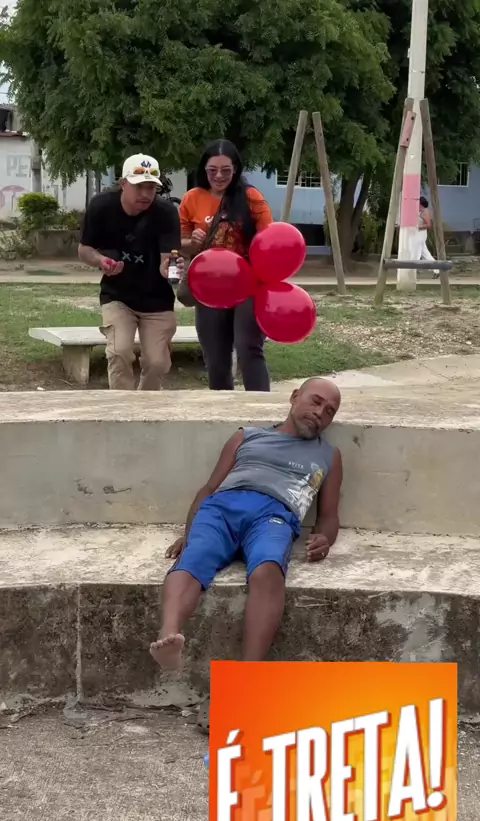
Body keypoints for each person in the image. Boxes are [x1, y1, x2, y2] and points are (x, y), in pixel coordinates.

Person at [150, 377, 343, 671]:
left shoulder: (329, 455)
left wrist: (325, 538)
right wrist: (189, 533)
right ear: (294, 397)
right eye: (315, 401)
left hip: (274, 517)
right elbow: (209, 488)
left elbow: (328, 516)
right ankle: (169, 636)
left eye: (329, 411)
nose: (320, 413)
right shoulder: (247, 436)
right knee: (194, 556)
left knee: (268, 569)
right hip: (223, 508)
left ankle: (248, 673)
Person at [78, 153, 184, 390]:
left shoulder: (166, 213)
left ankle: (146, 406)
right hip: (117, 296)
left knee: (157, 363)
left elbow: (167, 262)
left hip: (157, 300)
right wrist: (101, 261)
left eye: (151, 187)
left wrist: (171, 269)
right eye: (139, 186)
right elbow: (84, 250)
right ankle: (121, 407)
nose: (145, 194)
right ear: (123, 183)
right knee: (119, 352)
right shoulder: (101, 206)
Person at [179, 139, 274, 392]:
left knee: (248, 348)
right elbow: (181, 244)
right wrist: (192, 242)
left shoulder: (251, 197)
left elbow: (269, 240)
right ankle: (222, 409)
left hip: (248, 285)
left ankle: (260, 407)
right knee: (215, 357)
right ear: (204, 169)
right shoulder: (192, 198)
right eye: (213, 170)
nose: (219, 176)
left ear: (236, 170)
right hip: (210, 286)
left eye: (226, 170)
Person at [416, 196, 439, 278]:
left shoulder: (425, 211)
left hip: (421, 234)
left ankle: (412, 269)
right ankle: (437, 269)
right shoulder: (419, 211)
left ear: (420, 204)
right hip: (417, 234)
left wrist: (418, 227)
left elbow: (428, 225)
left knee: (417, 251)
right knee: (424, 253)